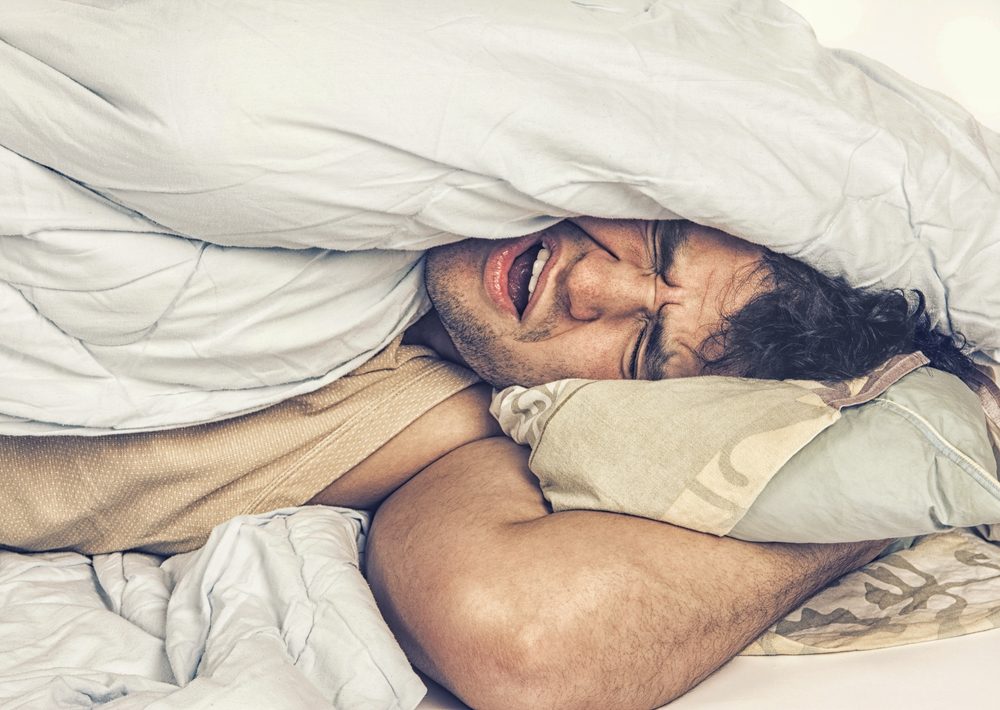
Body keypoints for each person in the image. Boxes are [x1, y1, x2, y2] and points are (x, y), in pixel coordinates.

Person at [0, 217, 973, 708]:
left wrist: (879, 488)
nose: (591, 279)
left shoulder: (464, 430)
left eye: (642, 350)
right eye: (659, 241)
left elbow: (520, 636)